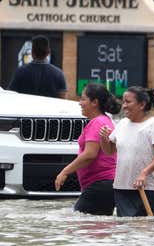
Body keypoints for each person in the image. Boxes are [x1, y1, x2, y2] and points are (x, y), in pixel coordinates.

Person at [99, 86, 154, 217]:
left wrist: (144, 173)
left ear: (142, 104)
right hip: (122, 187)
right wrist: (103, 139)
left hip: (146, 188)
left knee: (147, 229)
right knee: (125, 230)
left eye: (128, 102)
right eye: (123, 101)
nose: (124, 106)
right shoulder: (122, 124)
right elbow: (109, 151)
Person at [55, 83, 121, 215]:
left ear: (94, 102)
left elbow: (90, 154)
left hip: (100, 185)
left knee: (80, 225)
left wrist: (65, 171)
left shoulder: (97, 122)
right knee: (96, 229)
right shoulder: (105, 120)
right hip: (104, 185)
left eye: (83, 99)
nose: (79, 103)